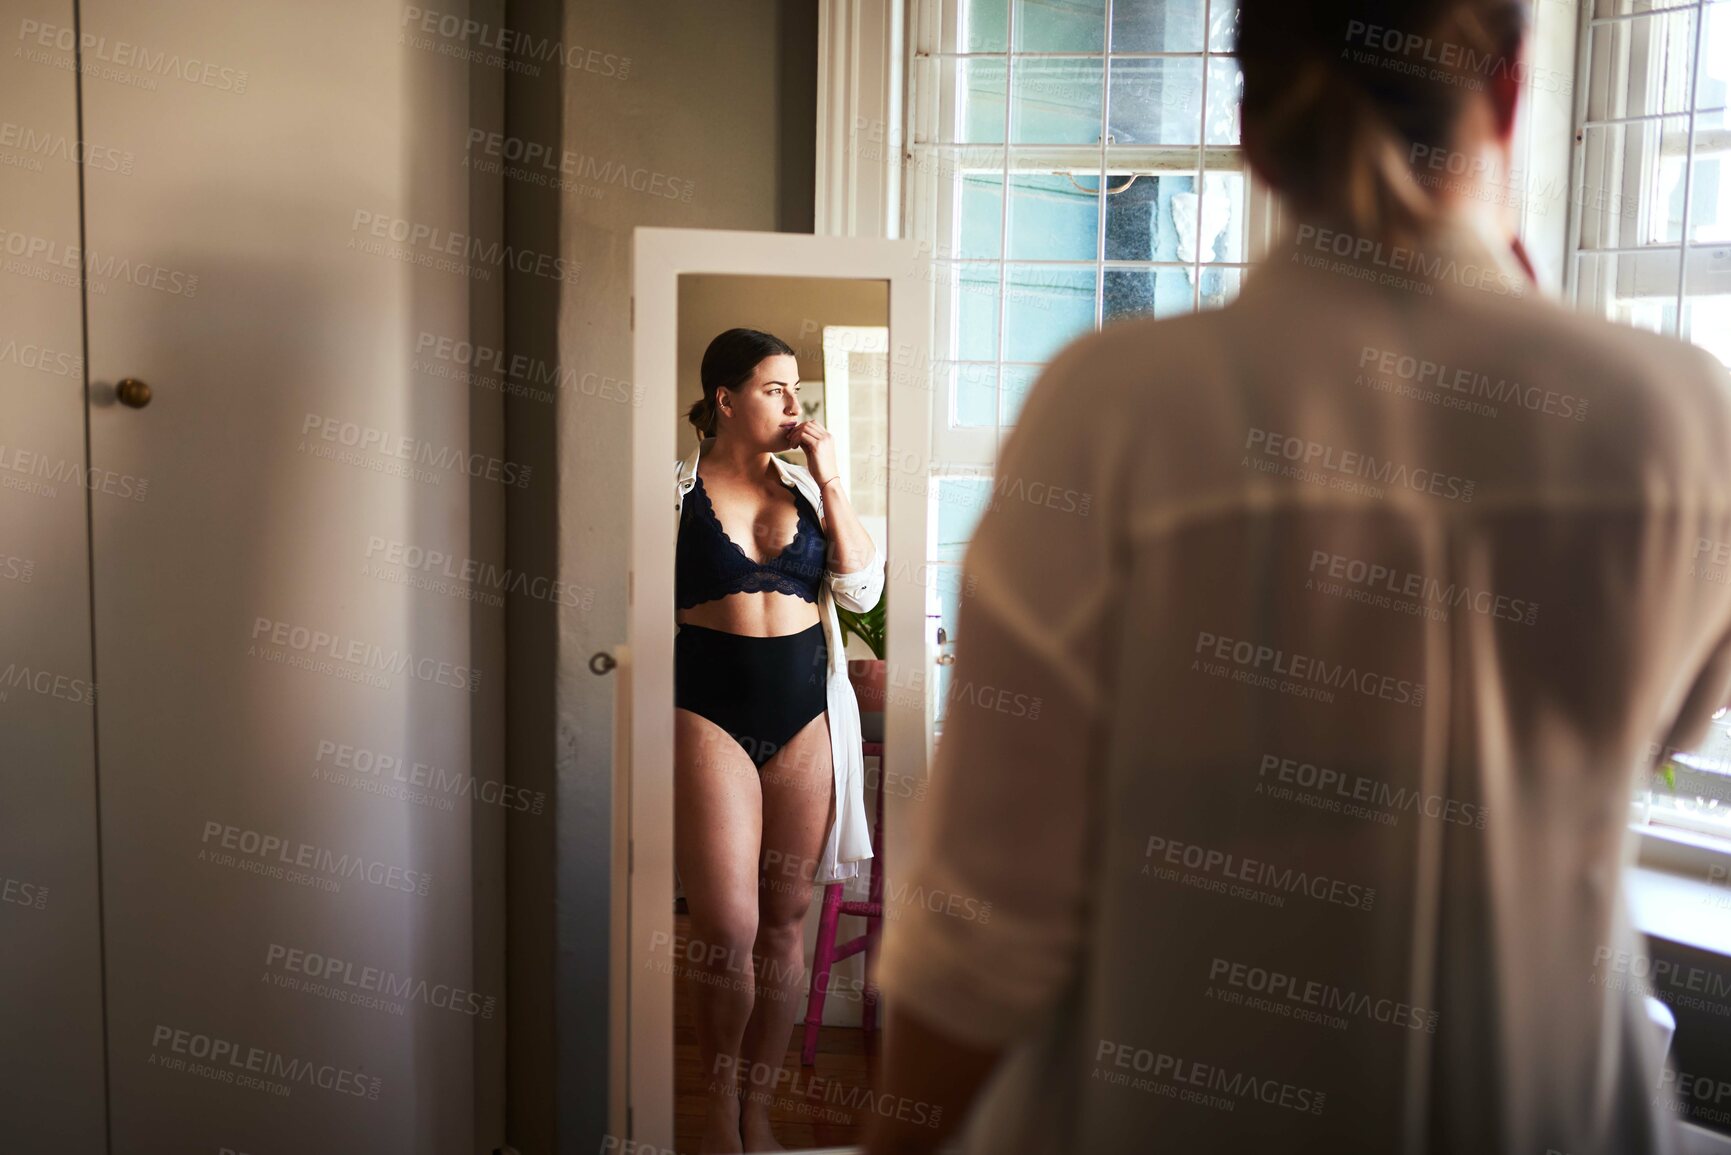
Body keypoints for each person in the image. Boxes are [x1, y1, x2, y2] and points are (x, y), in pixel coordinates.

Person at [864, 1, 1731, 1153]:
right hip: (1550, 1102)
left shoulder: (1115, 412)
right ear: (1511, 94)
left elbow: (987, 924)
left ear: (1253, 132)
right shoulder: (1677, 416)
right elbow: (1666, 721)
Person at [672, 327, 884, 1152]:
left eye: (798, 390)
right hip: (707, 712)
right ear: (725, 400)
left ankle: (757, 1104)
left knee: (784, 923)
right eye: (774, 389)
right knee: (724, 928)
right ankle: (716, 1095)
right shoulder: (671, 492)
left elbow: (863, 586)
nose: (796, 405)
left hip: (805, 718)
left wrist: (832, 479)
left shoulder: (805, 489)